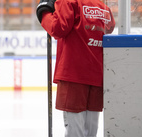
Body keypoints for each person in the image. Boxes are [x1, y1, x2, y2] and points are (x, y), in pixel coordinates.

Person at [36, 0, 115, 136]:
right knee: (91, 128)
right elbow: (110, 27)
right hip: (97, 75)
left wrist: (44, 13)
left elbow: (58, 28)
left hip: (73, 73)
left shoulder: (69, 1)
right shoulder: (103, 7)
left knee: (75, 129)